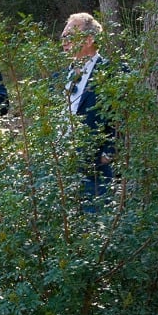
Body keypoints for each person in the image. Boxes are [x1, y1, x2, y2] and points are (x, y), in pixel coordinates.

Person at [60, 11, 117, 210]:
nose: (63, 42)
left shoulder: (112, 73)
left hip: (95, 168)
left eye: (69, 37)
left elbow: (123, 119)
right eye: (62, 37)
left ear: (89, 39)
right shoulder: (59, 75)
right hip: (60, 166)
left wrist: (108, 153)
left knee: (95, 226)